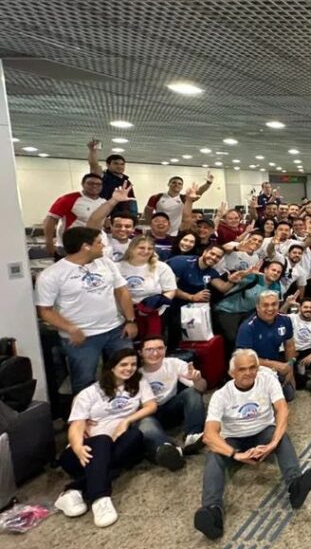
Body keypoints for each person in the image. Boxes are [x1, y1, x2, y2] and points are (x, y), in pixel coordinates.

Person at [193, 349, 311, 540]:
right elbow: (209, 435)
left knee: (282, 437)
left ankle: (295, 486)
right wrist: (236, 455)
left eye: (253, 368)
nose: (249, 373)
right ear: (232, 373)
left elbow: (282, 409)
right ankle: (212, 511)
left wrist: (273, 443)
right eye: (242, 369)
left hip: (262, 432)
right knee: (213, 454)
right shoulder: (221, 395)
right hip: (233, 439)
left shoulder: (267, 380)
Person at [53, 349, 153, 528]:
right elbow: (76, 425)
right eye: (123, 364)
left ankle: (73, 490)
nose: (129, 368)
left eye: (133, 364)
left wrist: (126, 421)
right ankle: (100, 499)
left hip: (112, 449)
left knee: (135, 437)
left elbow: (151, 406)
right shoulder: (89, 393)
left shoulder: (139, 383)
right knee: (102, 440)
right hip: (83, 454)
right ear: (111, 367)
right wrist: (77, 447)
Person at [35, 226, 138, 394]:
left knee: (128, 375)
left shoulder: (105, 262)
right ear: (86, 246)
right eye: (99, 243)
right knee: (84, 381)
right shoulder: (52, 275)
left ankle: (126, 408)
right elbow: (45, 311)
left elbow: (122, 290)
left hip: (116, 330)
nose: (103, 246)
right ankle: (83, 417)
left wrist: (130, 320)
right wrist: (70, 328)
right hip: (82, 337)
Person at [136, 336, 208, 468]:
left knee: (192, 392)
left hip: (171, 407)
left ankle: (193, 436)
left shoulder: (173, 363)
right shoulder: (135, 373)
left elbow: (202, 388)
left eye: (159, 348)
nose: (155, 353)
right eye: (149, 350)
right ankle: (168, 449)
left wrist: (197, 380)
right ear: (141, 353)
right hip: (148, 414)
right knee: (145, 424)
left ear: (165, 349)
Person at [236, 291, 299, 399]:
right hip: (253, 367)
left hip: (275, 364)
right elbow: (244, 359)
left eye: (274, 304)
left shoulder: (285, 320)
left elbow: (289, 345)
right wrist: (276, 365)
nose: (270, 309)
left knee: (289, 395)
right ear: (257, 307)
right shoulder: (247, 327)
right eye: (265, 305)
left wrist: (290, 368)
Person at [117, 235, 177, 340]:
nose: (146, 251)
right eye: (141, 248)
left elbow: (171, 290)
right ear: (131, 248)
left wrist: (158, 301)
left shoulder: (161, 267)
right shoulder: (117, 267)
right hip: (122, 315)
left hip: (152, 313)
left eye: (150, 248)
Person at [43, 173, 106, 257]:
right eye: (90, 183)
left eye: (98, 184)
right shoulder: (68, 199)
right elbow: (50, 220)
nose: (94, 186)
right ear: (83, 184)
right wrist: (49, 243)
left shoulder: (104, 202)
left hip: (92, 246)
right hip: (69, 247)